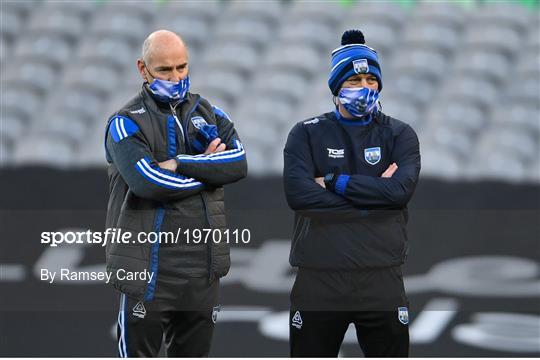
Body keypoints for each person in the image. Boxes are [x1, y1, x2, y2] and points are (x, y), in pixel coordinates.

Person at [104, 30, 247, 357]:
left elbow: (238, 164)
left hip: (202, 273)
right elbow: (148, 182)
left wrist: (180, 163)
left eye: (182, 67)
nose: (176, 77)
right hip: (148, 273)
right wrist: (209, 170)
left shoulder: (209, 111)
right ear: (143, 69)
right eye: (165, 70)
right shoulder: (125, 122)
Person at [283, 29, 421, 357]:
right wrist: (375, 199)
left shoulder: (400, 135)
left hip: (380, 278)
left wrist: (334, 182)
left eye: (371, 80)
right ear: (335, 88)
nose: (364, 89)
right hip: (319, 278)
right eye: (354, 82)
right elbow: (299, 195)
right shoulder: (306, 133)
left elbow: (399, 192)